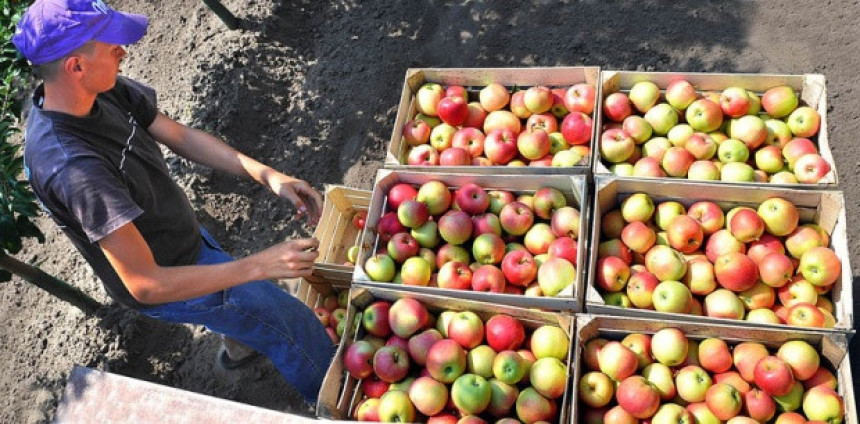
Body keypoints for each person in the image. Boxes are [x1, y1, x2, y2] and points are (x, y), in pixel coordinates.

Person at [12, 0, 335, 406]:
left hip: (175, 232)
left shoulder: (98, 90)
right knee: (291, 324)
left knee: (232, 291)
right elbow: (146, 284)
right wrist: (260, 265)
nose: (124, 52)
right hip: (167, 274)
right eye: (113, 46)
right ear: (76, 66)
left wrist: (268, 176)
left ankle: (241, 345)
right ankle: (336, 403)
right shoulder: (73, 168)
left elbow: (179, 136)